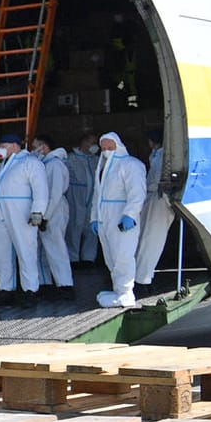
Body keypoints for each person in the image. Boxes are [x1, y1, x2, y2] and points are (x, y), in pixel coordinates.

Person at [0, 134, 48, 307]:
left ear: (15, 145)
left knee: (26, 251)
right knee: (1, 253)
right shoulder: (1, 167)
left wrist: (38, 211)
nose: (0, 148)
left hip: (21, 214)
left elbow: (40, 188)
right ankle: (6, 289)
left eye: (3, 145)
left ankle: (30, 291)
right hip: (1, 215)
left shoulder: (30, 163)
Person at [91, 131, 147, 308]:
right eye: (103, 147)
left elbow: (137, 193)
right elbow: (96, 195)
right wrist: (95, 218)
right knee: (110, 256)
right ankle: (118, 290)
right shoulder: (102, 167)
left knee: (123, 255)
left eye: (110, 146)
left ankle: (126, 292)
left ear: (118, 145)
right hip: (104, 218)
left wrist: (130, 215)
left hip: (121, 217)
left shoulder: (131, 165)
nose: (106, 150)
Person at [30, 134, 76, 301]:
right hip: (45, 210)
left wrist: (46, 216)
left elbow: (55, 193)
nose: (33, 150)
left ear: (44, 147)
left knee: (56, 247)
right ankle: (45, 283)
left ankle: (65, 285)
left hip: (54, 210)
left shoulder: (55, 165)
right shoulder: (45, 164)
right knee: (42, 248)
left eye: (35, 146)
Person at [133, 128, 175, 295]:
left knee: (151, 240)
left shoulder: (162, 156)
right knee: (146, 240)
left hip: (159, 198)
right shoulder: (156, 155)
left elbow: (159, 177)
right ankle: (143, 277)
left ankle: (143, 279)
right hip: (152, 198)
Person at [65, 133, 99, 265]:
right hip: (76, 197)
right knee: (74, 227)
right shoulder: (71, 158)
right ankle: (73, 258)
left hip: (91, 198)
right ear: (84, 143)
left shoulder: (96, 159)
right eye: (92, 142)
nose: (94, 146)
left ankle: (88, 258)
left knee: (91, 228)